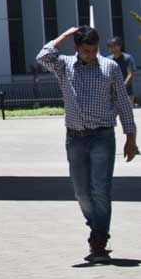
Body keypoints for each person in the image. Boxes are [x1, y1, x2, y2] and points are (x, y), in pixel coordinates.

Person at [37, 25, 137, 261]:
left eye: (93, 50)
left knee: (100, 189)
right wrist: (64, 35)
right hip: (75, 138)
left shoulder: (109, 67)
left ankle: (99, 239)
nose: (90, 55)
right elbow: (43, 56)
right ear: (77, 48)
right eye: (85, 51)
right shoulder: (64, 66)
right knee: (81, 192)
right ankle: (97, 227)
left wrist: (131, 137)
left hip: (102, 137)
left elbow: (123, 103)